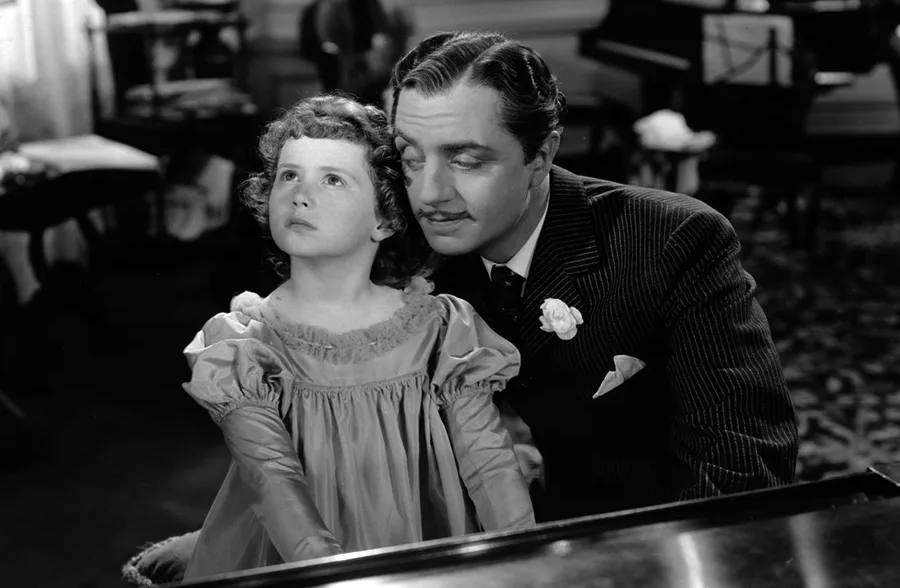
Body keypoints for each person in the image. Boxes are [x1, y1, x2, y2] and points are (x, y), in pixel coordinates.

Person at [389, 30, 800, 522]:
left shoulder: (673, 242)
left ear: (541, 157)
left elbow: (743, 465)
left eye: (467, 161)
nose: (429, 193)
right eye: (411, 158)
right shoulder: (405, 254)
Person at [123, 94, 534, 584]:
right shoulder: (245, 343)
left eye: (332, 179)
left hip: (424, 544)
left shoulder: (442, 330)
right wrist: (341, 578)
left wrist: (530, 562)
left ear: (385, 218)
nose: (300, 195)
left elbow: (488, 463)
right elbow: (273, 481)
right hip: (299, 559)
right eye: (288, 176)